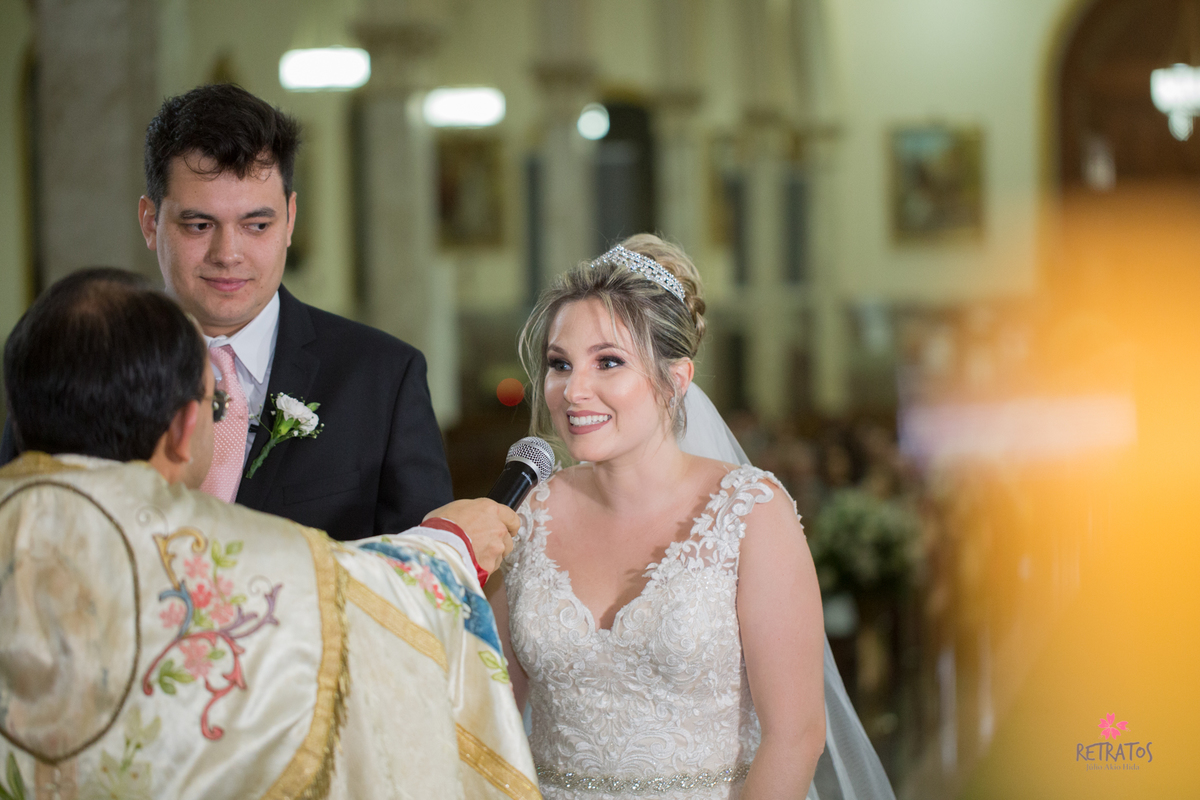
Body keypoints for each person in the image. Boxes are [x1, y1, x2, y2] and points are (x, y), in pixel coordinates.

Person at [0, 269, 538, 799]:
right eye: (214, 403)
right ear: (186, 429)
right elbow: (346, 606)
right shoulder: (238, 573)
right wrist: (450, 548)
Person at [491, 235, 895, 799]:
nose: (574, 390)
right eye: (560, 364)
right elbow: (491, 716)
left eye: (608, 361)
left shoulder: (749, 513)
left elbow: (796, 734)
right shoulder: (524, 515)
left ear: (675, 380)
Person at [0, 83, 454, 540]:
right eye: (199, 225)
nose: (228, 253)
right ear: (150, 223)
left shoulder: (382, 377)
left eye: (257, 225)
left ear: (291, 219)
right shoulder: (73, 363)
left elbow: (425, 587)